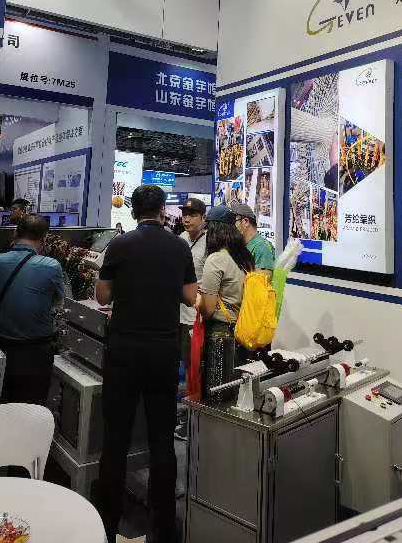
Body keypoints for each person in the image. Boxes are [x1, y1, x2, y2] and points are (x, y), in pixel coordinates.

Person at [96, 185, 197, 543]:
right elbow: (190, 296)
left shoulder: (119, 245)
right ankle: (164, 526)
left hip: (124, 351)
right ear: (162, 210)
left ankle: (106, 522)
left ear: (134, 211)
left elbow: (102, 295)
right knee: (162, 440)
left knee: (116, 438)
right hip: (162, 352)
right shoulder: (179, 246)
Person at [0, 214, 64, 405]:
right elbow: (59, 301)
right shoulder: (51, 266)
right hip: (35, 353)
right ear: (44, 239)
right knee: (30, 409)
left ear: (15, 233)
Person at [198, 205, 255, 398]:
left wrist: (196, 299)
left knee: (217, 394)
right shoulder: (245, 258)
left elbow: (208, 309)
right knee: (237, 392)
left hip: (220, 336)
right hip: (242, 333)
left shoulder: (216, 259)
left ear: (214, 231)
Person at [178, 198, 207, 371]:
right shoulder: (181, 238)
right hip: (177, 312)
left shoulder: (210, 242)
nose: (187, 219)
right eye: (184, 215)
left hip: (195, 316)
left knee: (193, 364)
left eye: (192, 215)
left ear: (203, 218)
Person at [231, 202, 275, 274]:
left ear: (245, 222)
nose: (230, 226)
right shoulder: (243, 245)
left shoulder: (261, 247)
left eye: (233, 221)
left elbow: (263, 278)